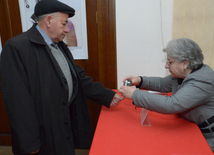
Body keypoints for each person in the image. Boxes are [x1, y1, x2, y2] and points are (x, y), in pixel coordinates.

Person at [0, 0, 123, 154]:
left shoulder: (59, 45)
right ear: (49, 21)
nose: (67, 30)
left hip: (62, 127)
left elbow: (76, 77)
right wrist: (29, 143)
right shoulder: (16, 47)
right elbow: (17, 101)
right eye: (64, 24)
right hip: (41, 135)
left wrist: (106, 95)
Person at [119, 38, 214, 152]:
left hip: (207, 137)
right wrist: (140, 80)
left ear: (185, 63)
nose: (166, 66)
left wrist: (135, 95)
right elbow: (163, 84)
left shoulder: (202, 81)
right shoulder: (185, 73)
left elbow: (171, 104)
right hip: (191, 127)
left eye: (170, 62)